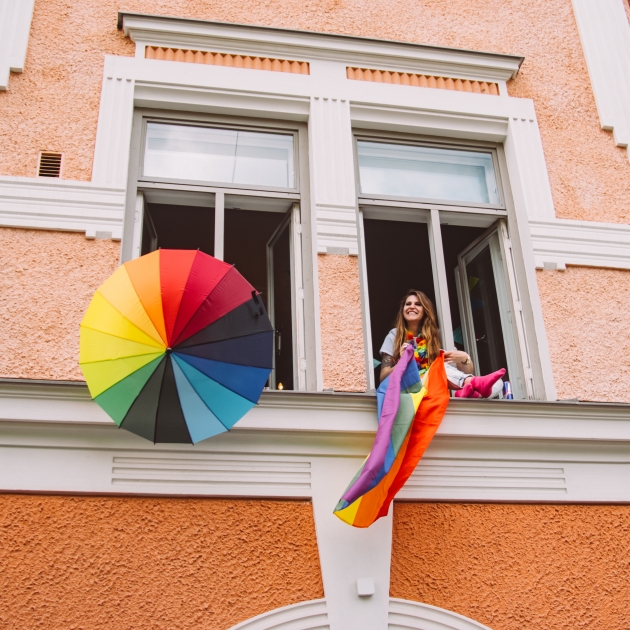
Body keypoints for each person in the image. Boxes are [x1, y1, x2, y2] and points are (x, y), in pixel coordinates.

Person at [379, 290, 505, 398]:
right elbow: (383, 377)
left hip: (436, 389)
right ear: (403, 310)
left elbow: (464, 370)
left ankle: (468, 393)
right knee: (437, 366)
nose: (412, 306)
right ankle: (470, 386)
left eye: (418, 304)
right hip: (409, 390)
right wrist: (402, 362)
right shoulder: (394, 335)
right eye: (408, 304)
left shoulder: (438, 336)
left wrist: (465, 358)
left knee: (499, 383)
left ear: (425, 310)